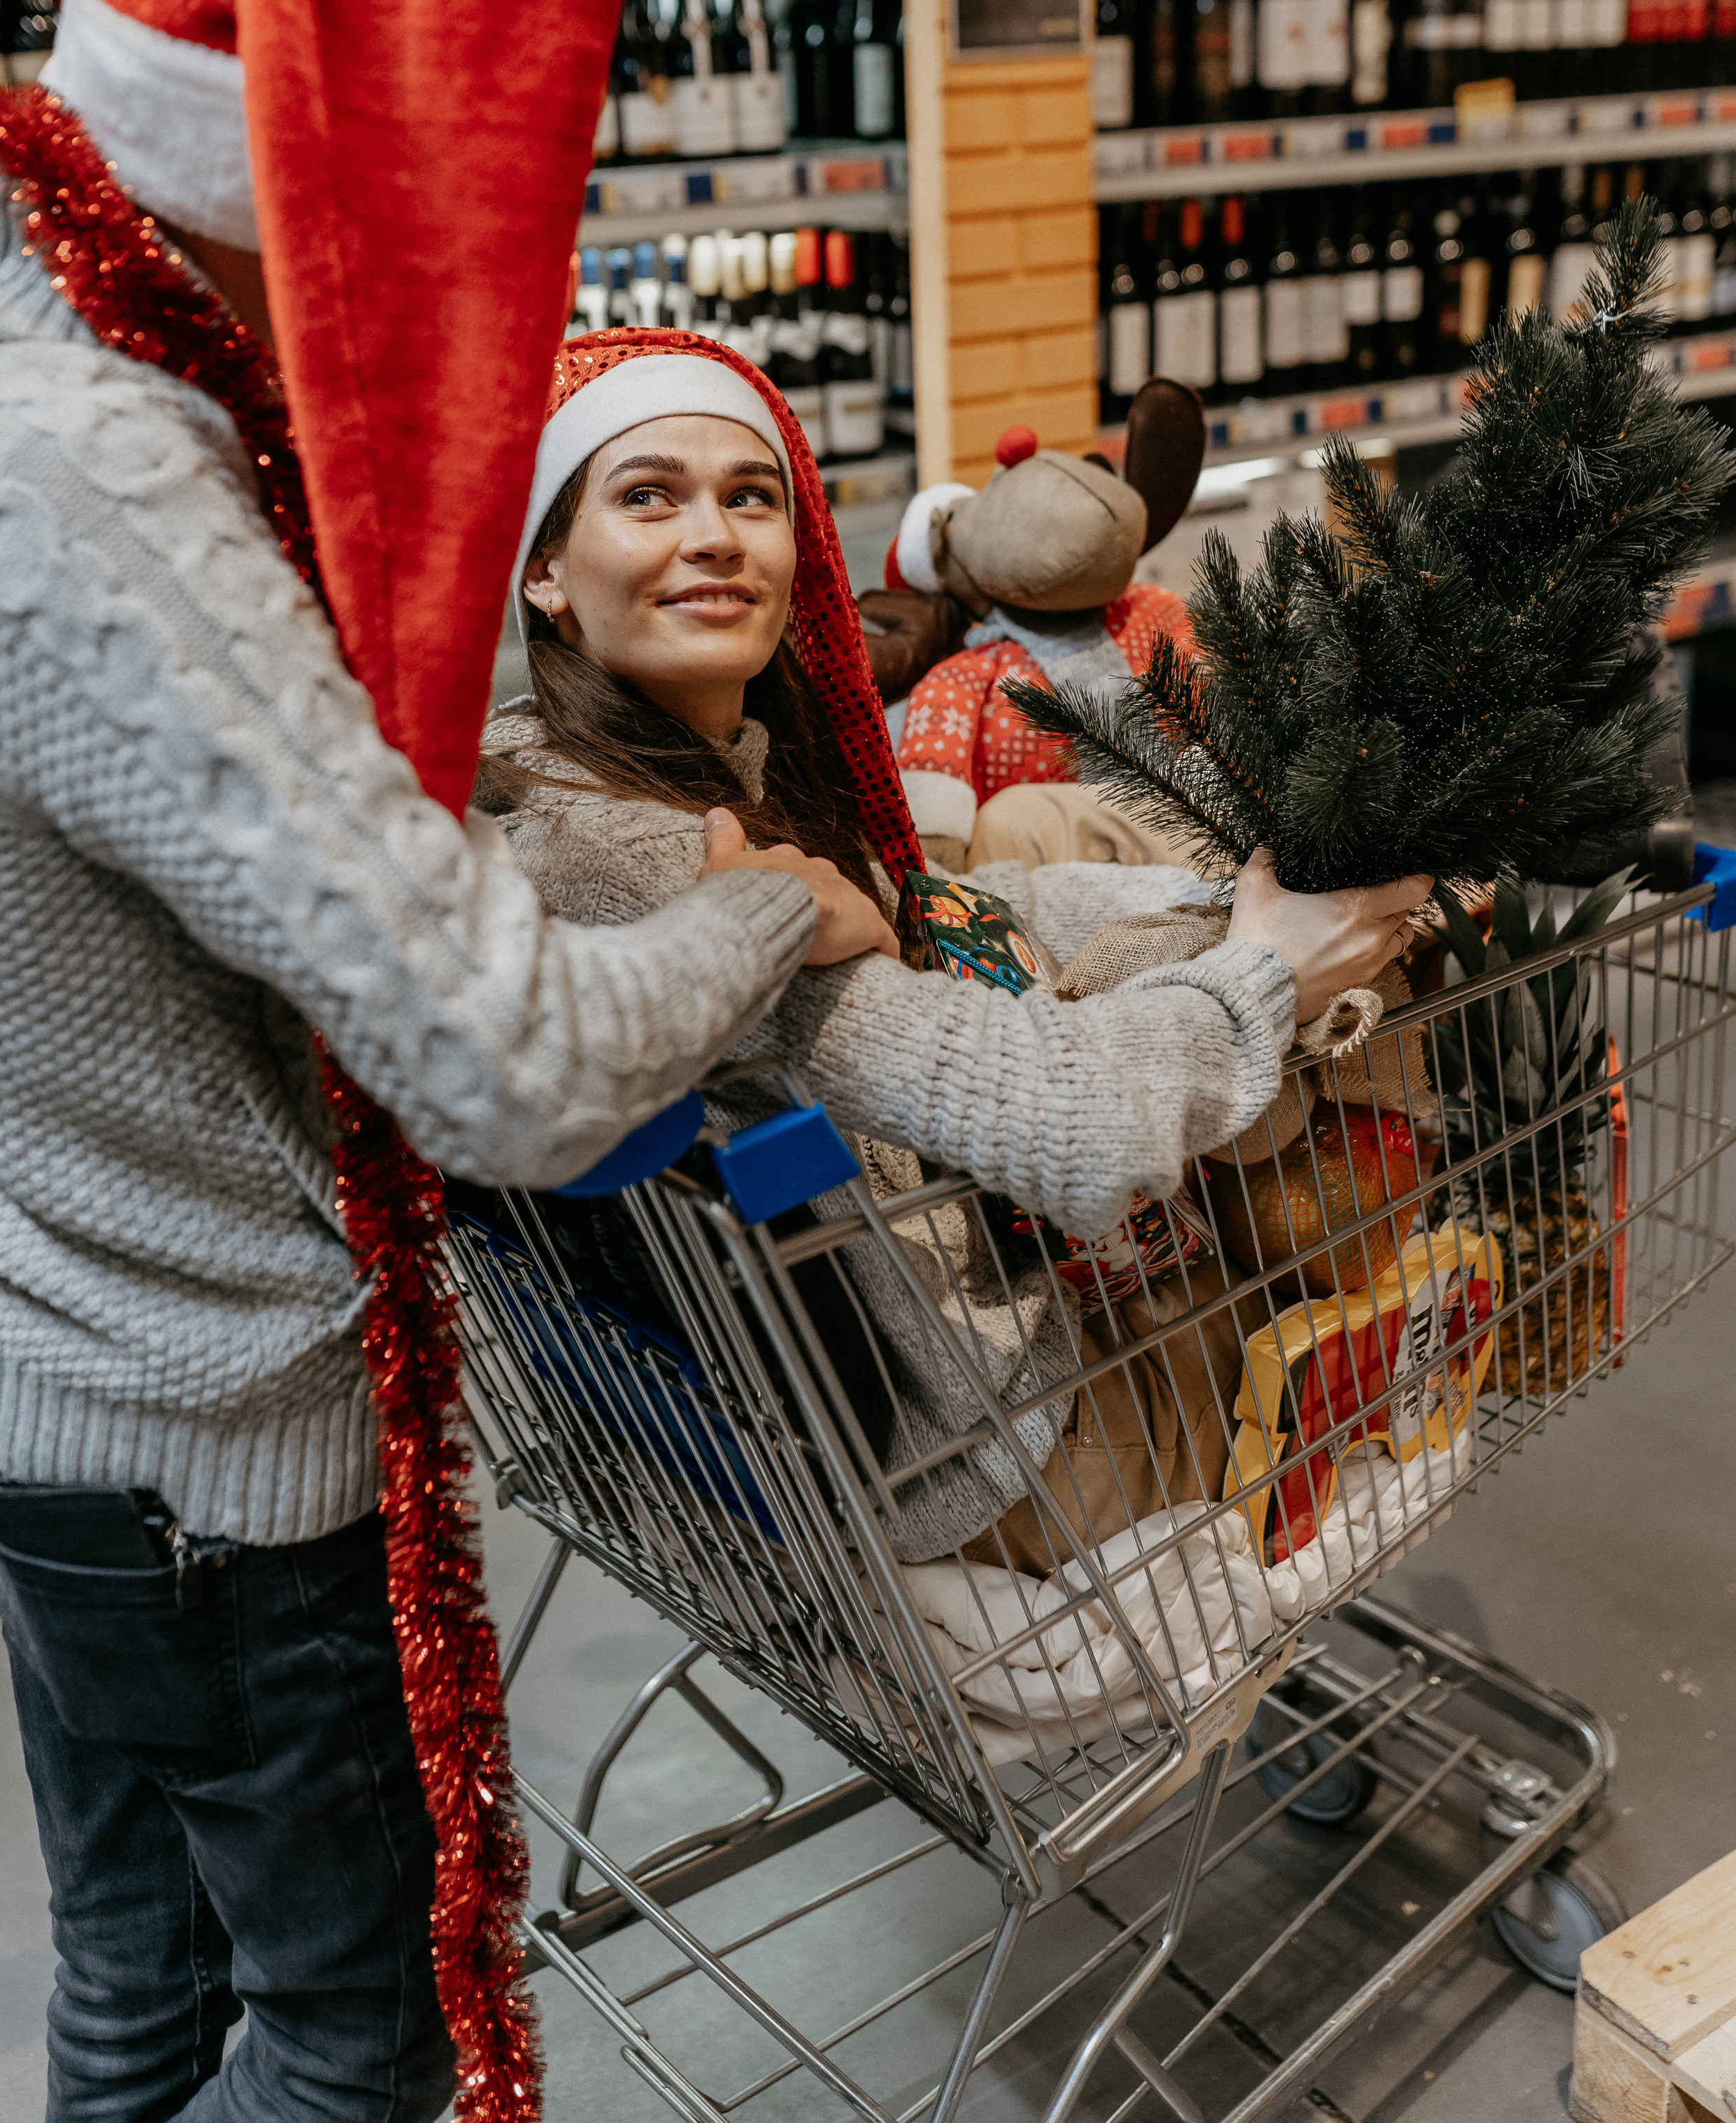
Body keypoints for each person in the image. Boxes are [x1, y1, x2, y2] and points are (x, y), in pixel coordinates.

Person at [0, 0, 893, 2123]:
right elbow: (506, 1060)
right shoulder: (87, 484)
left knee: (140, 1970)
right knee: (357, 2047)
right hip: (208, 1450)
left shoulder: (9, 308)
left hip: (35, 1361)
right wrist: (775, 903)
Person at [478, 329, 1431, 1564]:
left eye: (750, 497)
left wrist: (1219, 904)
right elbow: (1069, 1121)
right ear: (548, 570)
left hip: (932, 1332)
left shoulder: (662, 767)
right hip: (987, 1440)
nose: (714, 535)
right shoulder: (652, 868)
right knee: (1334, 1276)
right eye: (647, 496)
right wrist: (1269, 970)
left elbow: (945, 906)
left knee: (1037, 839)